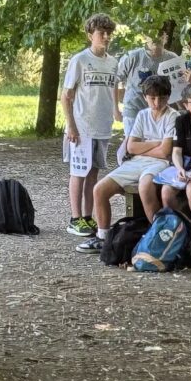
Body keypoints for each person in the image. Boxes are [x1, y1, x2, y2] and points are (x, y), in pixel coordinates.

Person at [79, 74, 177, 252]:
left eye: (161, 98)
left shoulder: (173, 116)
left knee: (145, 187)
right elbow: (131, 147)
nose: (156, 103)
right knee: (100, 189)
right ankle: (103, 236)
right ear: (145, 97)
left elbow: (165, 152)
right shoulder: (142, 115)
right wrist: (157, 142)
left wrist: (144, 147)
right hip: (136, 161)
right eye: (152, 98)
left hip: (162, 163)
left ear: (168, 97)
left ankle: (157, 235)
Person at [61, 14, 122, 235]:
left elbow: (113, 88)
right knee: (78, 172)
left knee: (93, 173)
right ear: (90, 35)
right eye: (101, 33)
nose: (106, 37)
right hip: (82, 127)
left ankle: (88, 217)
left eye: (108, 33)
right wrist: (71, 126)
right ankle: (75, 218)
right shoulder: (79, 60)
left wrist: (116, 110)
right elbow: (66, 96)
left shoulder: (113, 62)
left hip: (102, 126)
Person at [143, 83, 191, 224]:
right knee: (166, 192)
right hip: (187, 165)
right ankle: (179, 227)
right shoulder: (181, 121)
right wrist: (179, 168)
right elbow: (176, 151)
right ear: (186, 105)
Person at [115, 20, 179, 136]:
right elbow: (114, 81)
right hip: (134, 111)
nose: (155, 38)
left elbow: (179, 87)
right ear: (145, 37)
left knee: (158, 145)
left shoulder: (172, 59)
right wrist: (115, 110)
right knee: (133, 144)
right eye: (151, 34)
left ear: (166, 37)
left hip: (161, 113)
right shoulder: (132, 57)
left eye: (160, 34)